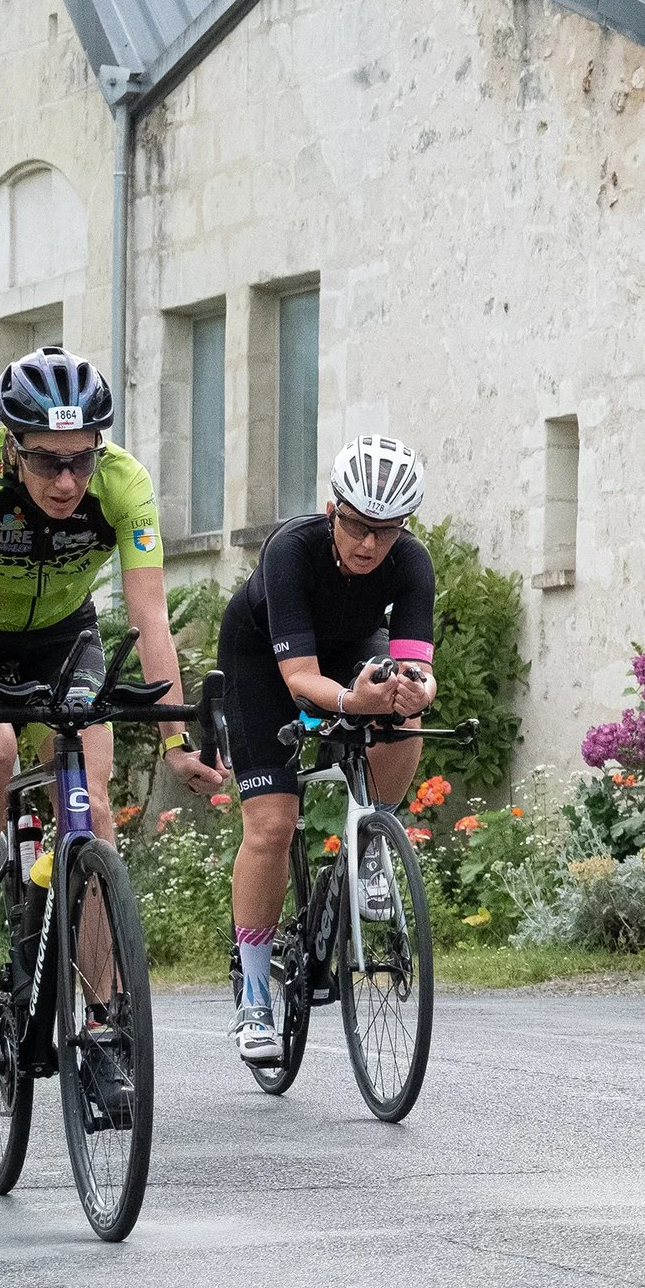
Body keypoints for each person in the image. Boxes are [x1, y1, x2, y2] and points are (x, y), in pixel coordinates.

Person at [0, 348, 226, 1050]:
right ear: (12, 447)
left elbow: (149, 616)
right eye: (47, 460)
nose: (66, 479)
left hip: (60, 634)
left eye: (81, 459)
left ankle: (105, 1019)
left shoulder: (124, 484)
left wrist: (176, 741)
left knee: (91, 797)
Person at [219, 436, 436, 1064]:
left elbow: (422, 669)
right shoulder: (292, 549)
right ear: (332, 508)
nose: (369, 544)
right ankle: (255, 989)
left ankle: (372, 840)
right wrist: (352, 702)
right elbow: (301, 683)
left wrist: (409, 696)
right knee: (272, 824)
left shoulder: (412, 562)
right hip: (267, 662)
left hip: (347, 652)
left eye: (385, 531)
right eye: (357, 526)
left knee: (402, 719)